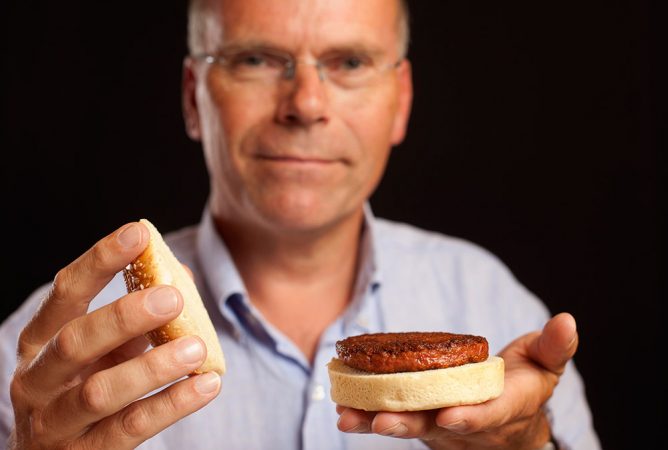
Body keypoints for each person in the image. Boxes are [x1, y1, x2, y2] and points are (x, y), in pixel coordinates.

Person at [0, 0, 601, 448]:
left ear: (402, 100)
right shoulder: (46, 365)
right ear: (192, 97)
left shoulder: (495, 302)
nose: (306, 104)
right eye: (257, 59)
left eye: (350, 62)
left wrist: (529, 444)